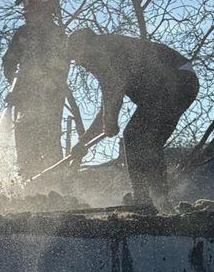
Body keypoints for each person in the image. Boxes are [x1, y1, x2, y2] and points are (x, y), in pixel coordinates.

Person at [66, 29, 200, 212]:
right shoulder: (109, 49)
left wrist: (110, 122)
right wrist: (85, 141)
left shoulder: (101, 51)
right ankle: (160, 201)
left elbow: (113, 90)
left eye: (76, 57)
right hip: (185, 82)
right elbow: (107, 106)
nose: (80, 64)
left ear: (84, 46)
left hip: (173, 80)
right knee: (151, 142)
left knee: (133, 135)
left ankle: (143, 199)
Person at [0, 0, 71, 184]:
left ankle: (55, 189)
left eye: (35, 13)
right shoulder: (22, 34)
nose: (31, 18)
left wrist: (39, 86)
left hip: (50, 99)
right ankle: (29, 188)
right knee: (25, 143)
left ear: (48, 12)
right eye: (29, 14)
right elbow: (8, 61)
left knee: (49, 143)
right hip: (24, 100)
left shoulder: (58, 36)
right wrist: (14, 81)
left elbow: (61, 69)